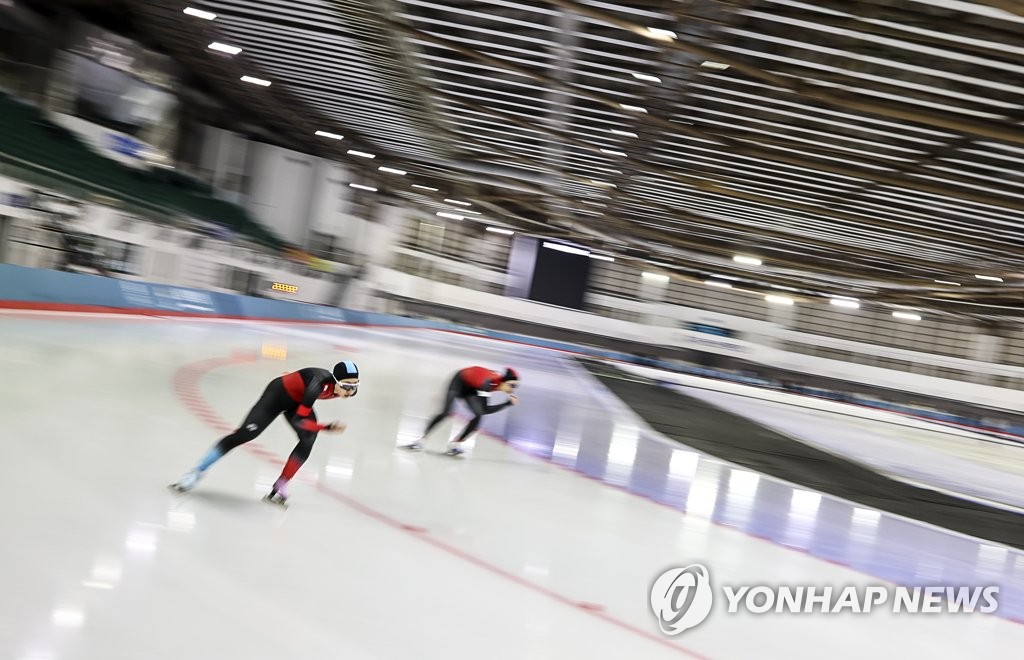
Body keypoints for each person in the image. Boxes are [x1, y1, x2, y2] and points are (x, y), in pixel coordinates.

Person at [169, 361, 360, 506]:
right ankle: (195, 473)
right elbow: (299, 421)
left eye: (355, 387)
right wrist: (326, 428)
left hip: (297, 401)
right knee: (245, 434)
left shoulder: (338, 389)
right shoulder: (317, 384)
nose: (350, 392)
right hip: (277, 395)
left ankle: (282, 484)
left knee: (308, 439)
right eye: (347, 386)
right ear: (335, 381)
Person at [403, 366, 519, 456]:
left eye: (515, 387)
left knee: (478, 416)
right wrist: (507, 404)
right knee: (446, 412)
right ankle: (420, 441)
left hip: (472, 388)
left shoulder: (498, 382)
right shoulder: (488, 383)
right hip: (459, 382)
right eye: (512, 386)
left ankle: (455, 444)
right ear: (504, 382)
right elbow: (485, 409)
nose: (513, 389)